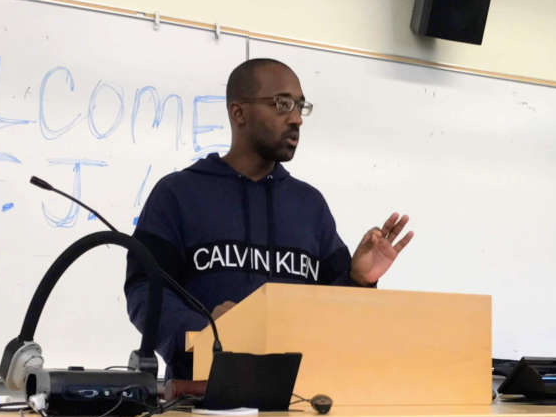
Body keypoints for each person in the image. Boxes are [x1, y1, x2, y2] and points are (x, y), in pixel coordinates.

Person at [124, 58, 413, 379]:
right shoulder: (177, 194)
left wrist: (360, 281)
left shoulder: (310, 205)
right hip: (200, 402)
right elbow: (144, 291)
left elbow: (335, 315)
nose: (296, 120)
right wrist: (206, 332)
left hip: (301, 399)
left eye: (300, 107)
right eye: (282, 104)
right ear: (239, 112)